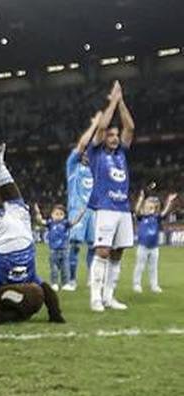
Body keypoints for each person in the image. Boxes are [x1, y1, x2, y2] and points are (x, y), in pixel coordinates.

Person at [0, 144, 65, 324]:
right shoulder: (15, 279)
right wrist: (55, 314)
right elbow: (45, 289)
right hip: (11, 245)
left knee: (14, 206)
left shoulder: (18, 276)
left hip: (24, 244)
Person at [80, 81, 134, 312]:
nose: (113, 137)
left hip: (123, 208)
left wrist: (122, 102)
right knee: (102, 250)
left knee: (118, 252)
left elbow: (130, 128)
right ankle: (95, 297)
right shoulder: (95, 152)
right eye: (110, 135)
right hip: (105, 207)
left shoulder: (122, 151)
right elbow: (101, 126)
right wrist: (112, 102)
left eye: (115, 135)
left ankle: (109, 296)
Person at [64, 112, 101, 291]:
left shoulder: (96, 169)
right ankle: (71, 280)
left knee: (94, 246)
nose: (87, 153)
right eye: (85, 152)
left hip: (93, 211)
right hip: (76, 210)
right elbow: (82, 144)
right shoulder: (72, 166)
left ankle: (92, 277)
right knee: (75, 245)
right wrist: (94, 126)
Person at [132, 189, 176, 294]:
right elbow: (137, 210)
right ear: (144, 208)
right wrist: (141, 199)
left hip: (154, 247)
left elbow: (164, 212)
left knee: (153, 267)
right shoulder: (141, 217)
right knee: (140, 266)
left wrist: (169, 201)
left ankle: (154, 285)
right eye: (148, 207)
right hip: (143, 246)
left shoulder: (156, 218)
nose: (151, 209)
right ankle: (136, 284)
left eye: (152, 207)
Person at [33, 203, 71, 291]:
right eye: (56, 214)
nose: (59, 216)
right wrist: (38, 212)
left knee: (65, 268)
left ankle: (65, 283)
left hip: (64, 249)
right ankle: (54, 283)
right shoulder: (50, 223)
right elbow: (40, 221)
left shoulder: (65, 223)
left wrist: (81, 213)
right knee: (54, 269)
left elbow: (74, 222)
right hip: (53, 250)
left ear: (64, 215)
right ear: (52, 215)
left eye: (61, 214)